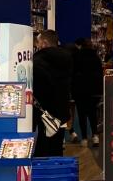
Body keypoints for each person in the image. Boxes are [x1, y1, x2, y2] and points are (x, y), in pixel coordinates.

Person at [32, 29, 73, 157]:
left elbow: (38, 88)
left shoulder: (38, 62)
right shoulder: (67, 58)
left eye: (38, 43)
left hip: (43, 113)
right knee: (57, 147)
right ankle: (57, 172)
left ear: (44, 43)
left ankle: (44, 175)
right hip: (61, 110)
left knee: (42, 149)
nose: (37, 46)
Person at [71, 38, 105, 146]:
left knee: (81, 114)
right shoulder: (96, 57)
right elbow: (100, 74)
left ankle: (84, 138)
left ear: (80, 46)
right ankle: (95, 136)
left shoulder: (77, 57)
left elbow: (73, 74)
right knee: (92, 113)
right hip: (94, 91)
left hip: (80, 90)